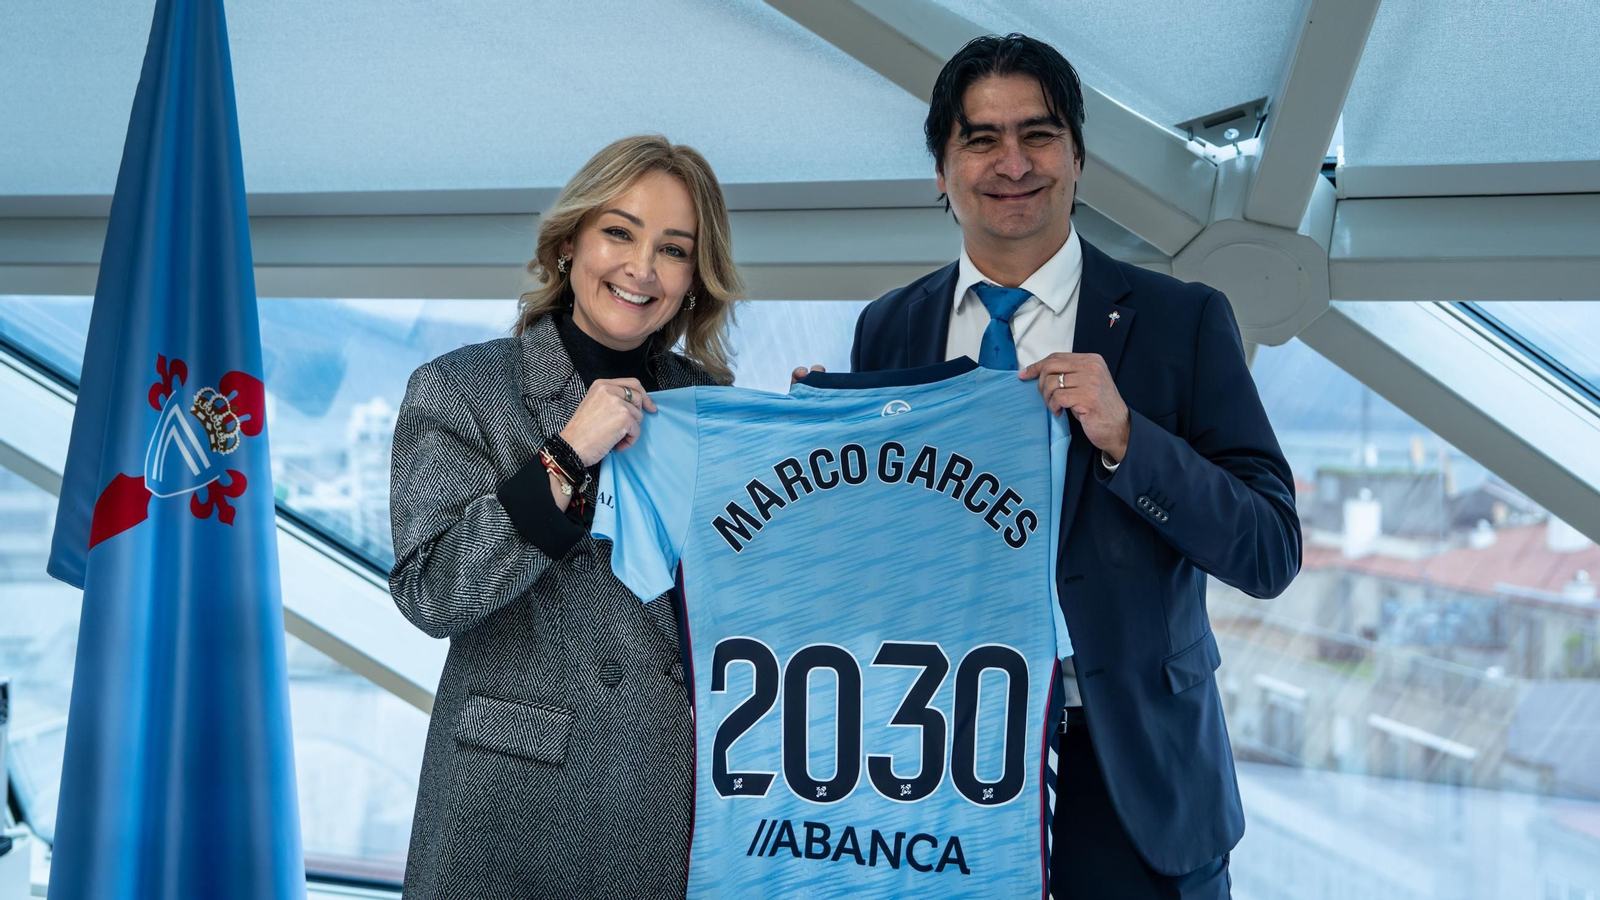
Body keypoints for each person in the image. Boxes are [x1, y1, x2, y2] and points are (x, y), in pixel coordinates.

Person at [810, 34, 1301, 899]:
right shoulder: (888, 327)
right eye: (981, 139)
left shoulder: (1180, 320)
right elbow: (887, 553)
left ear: (1078, 157)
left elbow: (1269, 549)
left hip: (1131, 774)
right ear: (942, 170)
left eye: (1038, 135)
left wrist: (1128, 439)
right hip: (940, 763)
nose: (1013, 163)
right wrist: (819, 459)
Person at [389, 134, 742, 899]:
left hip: (668, 795)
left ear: (694, 280)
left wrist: (816, 429)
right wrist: (567, 454)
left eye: (673, 249)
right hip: (513, 804)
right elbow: (432, 593)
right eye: (619, 232)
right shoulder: (462, 389)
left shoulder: (714, 407)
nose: (642, 267)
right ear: (570, 242)